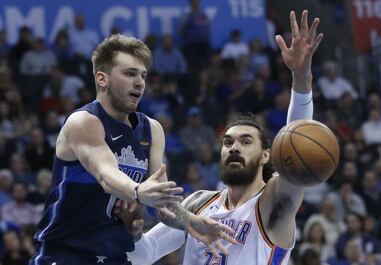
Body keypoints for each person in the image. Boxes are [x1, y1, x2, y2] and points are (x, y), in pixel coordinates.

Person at [126, 10, 324, 264]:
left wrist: (301, 77)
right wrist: (132, 232)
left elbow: (298, 146)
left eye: (246, 141)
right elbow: (147, 253)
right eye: (228, 142)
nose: (234, 147)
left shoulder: (272, 201)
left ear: (266, 155)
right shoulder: (198, 202)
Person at [29, 34, 234, 265]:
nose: (139, 82)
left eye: (143, 75)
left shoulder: (152, 130)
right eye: (129, 74)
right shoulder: (84, 122)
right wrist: (137, 191)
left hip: (115, 257)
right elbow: (106, 174)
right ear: (102, 79)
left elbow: (162, 204)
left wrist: (189, 221)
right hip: (65, 254)